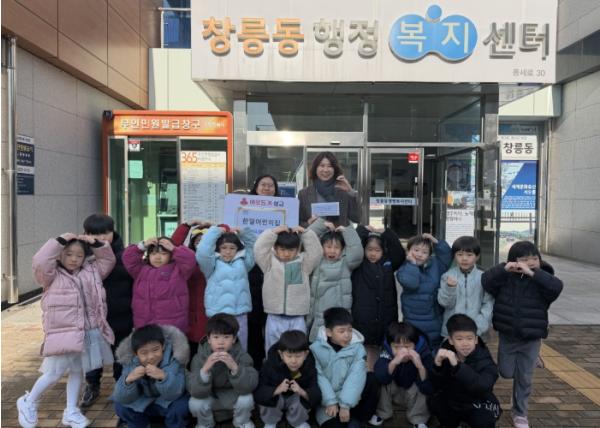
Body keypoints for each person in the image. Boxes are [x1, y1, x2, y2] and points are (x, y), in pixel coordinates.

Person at [17, 233, 116, 428]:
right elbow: (40, 262)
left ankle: (71, 410)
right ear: (60, 254)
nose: (74, 259)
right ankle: (28, 401)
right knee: (54, 372)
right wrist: (59, 241)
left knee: (77, 371)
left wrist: (96, 243)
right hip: (64, 334)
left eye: (79, 255)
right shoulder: (50, 275)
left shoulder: (91, 270)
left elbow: (108, 260)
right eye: (69, 254)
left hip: (88, 332)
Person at [482, 241, 563, 428]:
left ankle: (520, 413)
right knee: (506, 372)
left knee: (524, 378)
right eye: (524, 259)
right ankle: (532, 361)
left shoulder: (543, 279)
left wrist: (533, 274)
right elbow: (486, 281)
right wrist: (503, 268)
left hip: (532, 337)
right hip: (508, 335)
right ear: (514, 260)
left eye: (534, 258)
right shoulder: (506, 278)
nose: (530, 262)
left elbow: (557, 287)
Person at [80, 214, 134, 409]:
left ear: (113, 231)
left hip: (121, 314)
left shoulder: (125, 255)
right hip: (93, 316)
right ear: (86, 234)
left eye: (105, 232)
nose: (101, 238)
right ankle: (92, 385)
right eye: (95, 233)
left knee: (120, 353)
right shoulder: (81, 255)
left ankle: (121, 386)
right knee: (93, 353)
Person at [254, 224, 322, 353]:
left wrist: (306, 233)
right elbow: (258, 249)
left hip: (297, 318)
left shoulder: (304, 264)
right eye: (282, 249)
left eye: (291, 250)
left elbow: (316, 253)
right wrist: (273, 232)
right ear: (275, 248)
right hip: (274, 316)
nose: (286, 253)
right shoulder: (268, 262)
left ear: (298, 249)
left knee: (297, 350)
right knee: (272, 350)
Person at [310, 307, 380, 428]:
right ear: (329, 332)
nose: (347, 335)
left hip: (352, 399)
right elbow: (319, 377)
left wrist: (345, 405)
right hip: (327, 402)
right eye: (341, 331)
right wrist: (330, 401)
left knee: (371, 379)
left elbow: (356, 376)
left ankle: (359, 417)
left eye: (350, 330)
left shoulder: (358, 348)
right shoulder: (315, 349)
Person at [428, 314, 501, 428]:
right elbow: (436, 385)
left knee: (484, 420)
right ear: (451, 340)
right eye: (459, 339)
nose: (465, 343)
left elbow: (482, 386)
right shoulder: (446, 354)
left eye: (469, 338)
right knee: (434, 402)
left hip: (478, 402)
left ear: (476, 339)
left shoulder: (484, 358)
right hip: (454, 401)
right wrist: (437, 366)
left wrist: (458, 367)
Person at [187, 313, 258, 428]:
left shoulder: (242, 356)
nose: (221, 342)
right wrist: (205, 370)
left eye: (226, 337)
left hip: (233, 395)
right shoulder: (199, 358)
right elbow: (193, 390)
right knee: (195, 402)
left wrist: (235, 368)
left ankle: (241, 421)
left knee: (247, 398)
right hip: (211, 396)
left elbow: (250, 385)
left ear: (234, 339)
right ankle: (205, 423)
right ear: (209, 339)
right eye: (216, 337)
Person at [112, 324, 190, 428]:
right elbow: (120, 396)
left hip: (168, 402)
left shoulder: (174, 359)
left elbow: (175, 393)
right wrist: (128, 381)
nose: (151, 357)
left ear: (163, 346)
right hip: (143, 402)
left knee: (181, 406)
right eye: (144, 352)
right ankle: (139, 425)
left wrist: (163, 377)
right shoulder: (130, 362)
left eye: (155, 350)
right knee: (120, 406)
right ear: (136, 354)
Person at [352, 225, 405, 369]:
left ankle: (379, 374)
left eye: (377, 250)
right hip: (363, 317)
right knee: (364, 351)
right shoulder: (359, 264)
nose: (373, 254)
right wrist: (362, 230)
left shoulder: (388, 264)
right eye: (369, 250)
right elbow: (353, 246)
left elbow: (399, 254)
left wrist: (388, 233)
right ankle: (366, 375)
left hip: (385, 316)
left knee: (383, 351)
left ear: (383, 251)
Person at [196, 224, 257, 351]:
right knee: (217, 349)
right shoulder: (210, 264)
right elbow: (202, 252)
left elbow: (254, 246)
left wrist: (244, 233)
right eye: (223, 248)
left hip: (240, 314)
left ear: (238, 249)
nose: (228, 251)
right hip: (218, 316)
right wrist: (215, 231)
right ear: (217, 248)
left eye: (232, 248)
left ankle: (238, 365)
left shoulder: (244, 262)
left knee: (240, 349)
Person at [123, 237, 197, 333]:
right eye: (153, 254)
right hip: (144, 324)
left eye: (163, 253)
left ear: (171, 255)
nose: (157, 257)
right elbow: (127, 257)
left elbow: (190, 259)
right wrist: (142, 246)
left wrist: (174, 249)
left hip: (173, 325)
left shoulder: (179, 270)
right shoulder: (140, 270)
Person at [306, 218, 363, 341]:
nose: (332, 250)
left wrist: (348, 231)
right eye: (328, 246)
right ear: (321, 247)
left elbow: (357, 253)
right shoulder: (316, 260)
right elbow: (306, 238)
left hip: (339, 317)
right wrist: (322, 224)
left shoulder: (345, 262)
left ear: (342, 249)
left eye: (337, 247)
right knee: (318, 347)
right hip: (317, 316)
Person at [254, 330, 321, 428]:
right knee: (268, 396)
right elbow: (259, 392)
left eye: (298, 356)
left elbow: (316, 393)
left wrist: (301, 391)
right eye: (289, 356)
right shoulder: (270, 365)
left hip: (295, 400)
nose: (293, 361)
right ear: (281, 355)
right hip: (277, 399)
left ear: (306, 354)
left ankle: (298, 422)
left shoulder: (309, 366)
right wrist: (276, 390)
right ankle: (270, 422)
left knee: (304, 398)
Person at [372, 321, 434, 428]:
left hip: (412, 393)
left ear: (415, 345)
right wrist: (394, 362)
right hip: (395, 391)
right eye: (397, 347)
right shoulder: (387, 352)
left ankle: (418, 418)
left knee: (424, 383)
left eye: (407, 346)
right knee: (382, 378)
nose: (402, 351)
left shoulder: (424, 353)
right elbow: (380, 376)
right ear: (390, 346)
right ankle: (382, 412)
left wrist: (420, 366)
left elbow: (429, 387)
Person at [396, 233, 452, 350]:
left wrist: (436, 242)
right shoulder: (404, 268)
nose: (419, 254)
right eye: (416, 250)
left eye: (424, 252)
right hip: (412, 321)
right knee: (415, 350)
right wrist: (412, 264)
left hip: (434, 320)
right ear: (408, 251)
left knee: (434, 351)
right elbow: (412, 283)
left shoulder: (436, 265)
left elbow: (447, 256)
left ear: (429, 255)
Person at [248, 174, 280, 369]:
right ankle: (256, 365)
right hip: (251, 269)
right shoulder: (244, 208)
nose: (267, 188)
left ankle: (273, 366)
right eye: (263, 185)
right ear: (256, 188)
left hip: (276, 268)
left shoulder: (285, 210)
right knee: (253, 322)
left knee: (271, 322)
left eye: (271, 185)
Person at [437, 236, 494, 339]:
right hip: (452, 332)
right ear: (454, 256)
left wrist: (478, 328)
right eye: (459, 254)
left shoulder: (484, 277)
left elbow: (488, 305)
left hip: (477, 333)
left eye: (469, 255)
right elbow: (445, 304)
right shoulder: (447, 276)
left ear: (477, 257)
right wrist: (450, 288)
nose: (464, 258)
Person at [171, 219, 212, 358]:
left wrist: (215, 227)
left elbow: (228, 238)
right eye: (198, 241)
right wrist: (186, 225)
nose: (201, 244)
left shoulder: (218, 260)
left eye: (205, 241)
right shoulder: (188, 261)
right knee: (192, 356)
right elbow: (173, 245)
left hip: (211, 317)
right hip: (191, 316)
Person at [298, 151, 360, 228]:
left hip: (339, 234)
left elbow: (357, 218)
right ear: (315, 168)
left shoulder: (342, 191)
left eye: (330, 166)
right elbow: (298, 223)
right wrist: (308, 223)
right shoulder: (303, 194)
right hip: (314, 234)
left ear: (335, 169)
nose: (325, 170)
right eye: (322, 165)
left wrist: (350, 191)